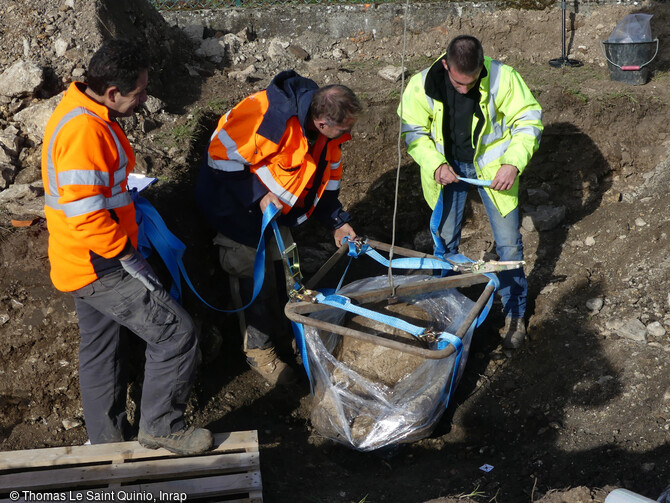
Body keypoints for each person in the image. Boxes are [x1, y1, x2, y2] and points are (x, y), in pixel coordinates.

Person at [41, 38, 213, 454]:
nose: (144, 98)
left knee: (102, 349)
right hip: (101, 263)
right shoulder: (83, 130)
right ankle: (162, 427)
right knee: (176, 334)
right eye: (139, 92)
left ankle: (106, 444)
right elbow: (87, 215)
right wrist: (128, 256)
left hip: (78, 260)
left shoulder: (85, 113)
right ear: (113, 92)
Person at [196, 70, 361, 385]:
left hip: (274, 213)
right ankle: (259, 351)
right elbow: (220, 157)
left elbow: (325, 185)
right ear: (323, 122)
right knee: (251, 276)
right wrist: (257, 194)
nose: (347, 134)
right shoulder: (271, 119)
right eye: (344, 127)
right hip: (233, 205)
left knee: (287, 274)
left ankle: (290, 336)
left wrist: (338, 222)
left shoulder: (326, 137)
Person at [398, 35, 543, 349]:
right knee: (444, 242)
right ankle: (445, 309)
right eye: (458, 83)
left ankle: (515, 315)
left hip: (493, 172)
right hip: (446, 173)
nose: (464, 90)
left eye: (472, 82)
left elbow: (528, 120)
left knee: (508, 247)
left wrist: (513, 164)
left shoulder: (503, 78)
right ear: (446, 64)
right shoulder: (421, 85)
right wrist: (434, 163)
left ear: (482, 66)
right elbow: (413, 132)